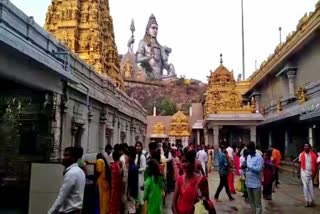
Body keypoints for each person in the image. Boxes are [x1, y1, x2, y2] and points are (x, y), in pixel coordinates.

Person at [48, 147, 86, 214]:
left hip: (69, 211)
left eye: (66, 155)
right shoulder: (80, 171)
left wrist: (51, 212)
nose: (64, 158)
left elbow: (62, 196)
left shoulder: (71, 173)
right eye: (64, 155)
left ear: (73, 158)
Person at [172, 148, 203, 214]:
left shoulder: (200, 180)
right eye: (182, 161)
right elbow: (174, 204)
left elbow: (206, 203)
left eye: (186, 161)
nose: (183, 164)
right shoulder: (179, 180)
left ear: (192, 163)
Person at [244, 141, 263, 214]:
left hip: (256, 184)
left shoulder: (259, 157)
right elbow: (247, 167)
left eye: (249, 149)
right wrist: (245, 168)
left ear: (253, 149)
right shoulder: (248, 156)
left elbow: (259, 169)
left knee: (257, 203)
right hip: (248, 183)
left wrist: (249, 167)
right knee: (251, 202)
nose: (248, 151)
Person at [299, 143, 317, 207]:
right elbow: (300, 164)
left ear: (309, 147)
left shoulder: (313, 155)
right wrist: (299, 172)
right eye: (304, 146)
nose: (305, 147)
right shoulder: (301, 154)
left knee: (310, 187)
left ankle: (311, 200)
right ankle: (307, 201)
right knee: (305, 187)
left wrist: (314, 174)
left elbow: (316, 165)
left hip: (311, 173)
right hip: (303, 172)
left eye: (307, 146)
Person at [135, 142, 146, 213]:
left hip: (140, 177)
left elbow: (144, 168)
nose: (138, 147)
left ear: (141, 147)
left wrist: (137, 170)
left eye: (139, 146)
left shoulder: (142, 156)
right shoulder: (136, 155)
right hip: (136, 176)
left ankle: (141, 211)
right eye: (137, 146)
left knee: (140, 195)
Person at [110, 148, 122, 214]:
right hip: (118, 186)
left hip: (114, 186)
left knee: (113, 202)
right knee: (117, 202)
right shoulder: (118, 165)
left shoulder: (113, 165)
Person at [128, 146, 139, 214]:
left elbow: (131, 182)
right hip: (134, 190)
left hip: (132, 191)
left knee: (131, 207)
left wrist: (129, 192)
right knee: (132, 206)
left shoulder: (132, 168)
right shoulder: (134, 166)